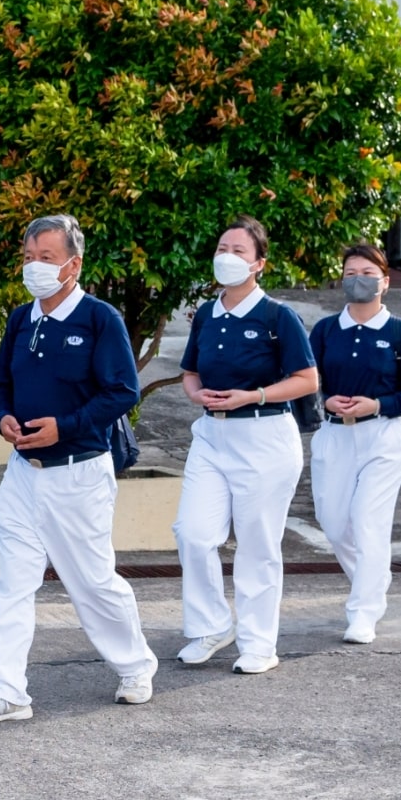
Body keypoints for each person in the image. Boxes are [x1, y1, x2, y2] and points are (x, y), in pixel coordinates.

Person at [0, 215, 159, 721]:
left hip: (80, 473)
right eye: (29, 258)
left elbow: (123, 392)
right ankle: (6, 691)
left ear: (74, 264)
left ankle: (136, 666)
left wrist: (65, 426)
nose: (35, 268)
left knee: (93, 582)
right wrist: (1, 417)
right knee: (14, 584)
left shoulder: (99, 319)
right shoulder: (21, 319)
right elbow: (0, 381)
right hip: (23, 474)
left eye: (46, 258)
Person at [173, 216, 318, 676]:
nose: (227, 257)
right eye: (222, 247)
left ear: (259, 264)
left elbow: (307, 379)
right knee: (192, 533)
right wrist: (196, 394)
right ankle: (212, 625)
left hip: (265, 437)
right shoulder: (207, 315)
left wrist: (252, 395)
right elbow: (190, 371)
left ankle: (259, 643)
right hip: (212, 436)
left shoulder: (278, 316)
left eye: (239, 250)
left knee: (256, 543)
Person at [308, 245, 401, 644]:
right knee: (333, 522)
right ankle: (374, 575)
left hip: (384, 436)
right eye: (350, 272)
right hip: (335, 435)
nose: (358, 278)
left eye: (367, 272)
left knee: (367, 520)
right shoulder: (325, 331)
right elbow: (308, 382)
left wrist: (377, 404)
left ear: (385, 282)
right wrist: (324, 400)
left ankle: (363, 611)